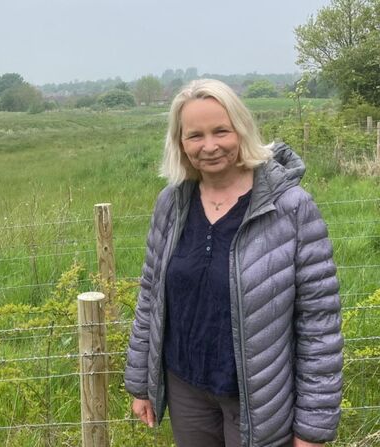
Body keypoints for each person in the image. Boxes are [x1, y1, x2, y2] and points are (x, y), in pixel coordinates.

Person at [125, 79, 343, 447]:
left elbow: (319, 322)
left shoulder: (291, 207)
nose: (209, 146)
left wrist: (313, 427)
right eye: (195, 135)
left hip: (260, 399)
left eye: (220, 131)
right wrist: (140, 384)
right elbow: (151, 297)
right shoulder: (172, 204)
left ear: (241, 130)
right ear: (180, 143)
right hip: (186, 389)